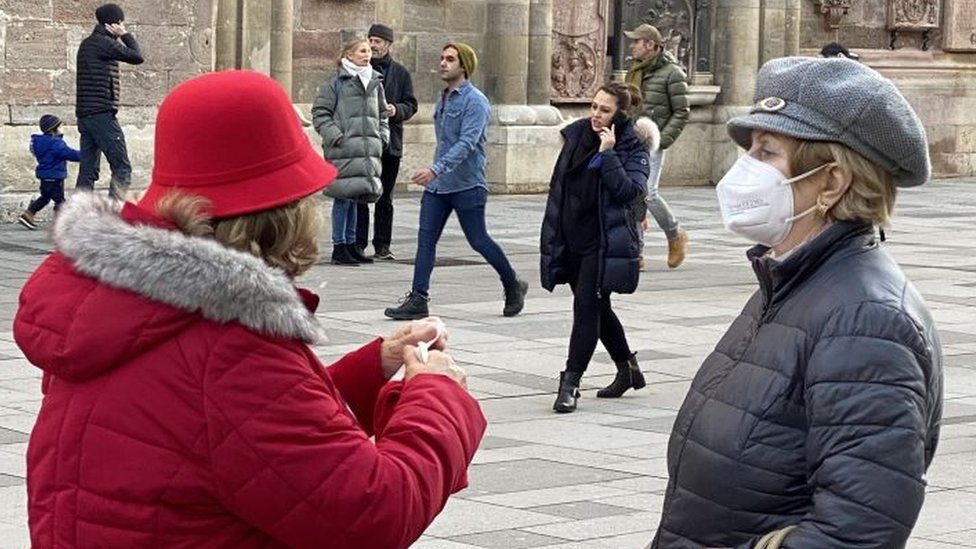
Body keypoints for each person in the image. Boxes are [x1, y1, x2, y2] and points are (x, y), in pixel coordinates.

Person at [14, 70, 486, 549]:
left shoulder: (131, 301)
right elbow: (374, 514)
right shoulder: (231, 349)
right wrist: (437, 395)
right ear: (283, 213)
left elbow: (226, 430)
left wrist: (370, 369)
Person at [649, 57, 943, 548]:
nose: (744, 169)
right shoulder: (790, 280)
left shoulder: (866, 321)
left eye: (767, 153)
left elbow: (858, 530)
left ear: (831, 182)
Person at [384, 43, 527, 320]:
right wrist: (436, 174)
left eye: (450, 59)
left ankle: (512, 283)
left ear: (464, 67)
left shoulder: (475, 101)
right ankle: (418, 298)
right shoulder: (445, 97)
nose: (442, 63)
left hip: (467, 184)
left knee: (478, 240)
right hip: (438, 188)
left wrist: (435, 169)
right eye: (441, 58)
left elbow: (467, 143)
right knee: (425, 240)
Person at [540, 82, 657, 413]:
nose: (596, 114)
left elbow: (631, 193)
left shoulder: (632, 146)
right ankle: (628, 368)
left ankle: (570, 383)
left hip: (603, 243)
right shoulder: (576, 136)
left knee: (586, 309)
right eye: (594, 106)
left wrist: (608, 156)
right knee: (597, 307)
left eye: (604, 110)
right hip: (571, 237)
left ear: (620, 113)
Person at [312, 36, 389, 266]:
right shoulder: (335, 83)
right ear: (348, 55)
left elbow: (383, 114)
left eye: (368, 51)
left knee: (357, 197)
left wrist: (382, 136)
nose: (367, 55)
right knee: (342, 198)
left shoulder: (375, 82)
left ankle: (352, 245)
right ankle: (339, 246)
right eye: (362, 51)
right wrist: (336, 136)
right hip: (344, 150)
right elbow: (320, 114)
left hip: (366, 150)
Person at [624, 23, 690, 269]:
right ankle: (636, 251)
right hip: (630, 140)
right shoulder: (635, 70)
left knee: (649, 193)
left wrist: (662, 139)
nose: (632, 46)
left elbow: (682, 111)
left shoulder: (672, 73)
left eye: (636, 41)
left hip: (652, 141)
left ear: (650, 45)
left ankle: (675, 235)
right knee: (634, 195)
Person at [355, 24, 418, 261]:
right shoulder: (359, 70)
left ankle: (382, 245)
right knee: (361, 194)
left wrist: (396, 109)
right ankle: (358, 243)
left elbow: (411, 104)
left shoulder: (401, 73)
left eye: (378, 41)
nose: (372, 45)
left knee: (385, 196)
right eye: (370, 40)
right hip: (364, 144)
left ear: (388, 45)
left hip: (390, 144)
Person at [75, 2, 143, 200]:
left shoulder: (88, 43)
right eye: (121, 22)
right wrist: (125, 34)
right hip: (101, 113)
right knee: (122, 167)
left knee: (88, 170)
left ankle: (78, 215)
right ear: (115, 23)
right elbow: (137, 56)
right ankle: (112, 215)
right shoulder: (103, 43)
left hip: (86, 116)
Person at [18, 115, 80, 230]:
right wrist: (85, 155)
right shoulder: (55, 143)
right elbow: (68, 153)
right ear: (53, 128)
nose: (62, 127)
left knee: (45, 197)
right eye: (60, 125)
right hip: (54, 177)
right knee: (60, 201)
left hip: (45, 176)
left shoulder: (41, 142)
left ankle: (28, 214)